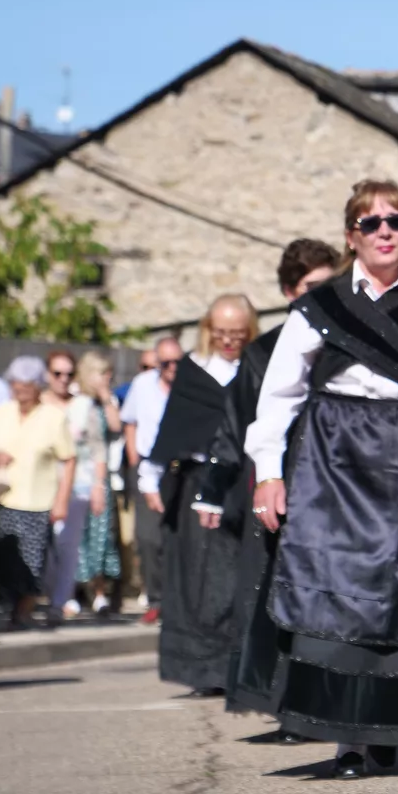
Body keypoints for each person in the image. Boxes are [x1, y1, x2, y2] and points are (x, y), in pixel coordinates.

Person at [245, 179, 398, 778]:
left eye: (396, 221)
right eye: (370, 223)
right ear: (350, 237)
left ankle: (389, 729)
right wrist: (267, 474)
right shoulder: (320, 308)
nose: (385, 231)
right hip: (336, 464)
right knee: (338, 595)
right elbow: (278, 395)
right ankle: (346, 740)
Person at [189, 239, 338, 735]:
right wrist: (214, 488)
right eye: (312, 287)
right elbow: (236, 425)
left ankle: (339, 704)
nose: (323, 295)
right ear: (289, 291)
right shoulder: (264, 352)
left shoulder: (349, 338)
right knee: (280, 598)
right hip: (283, 488)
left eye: (329, 284)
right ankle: (289, 707)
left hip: (341, 491)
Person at [151, 294, 258, 694]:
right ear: (208, 331)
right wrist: (151, 477)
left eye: (238, 333)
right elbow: (174, 427)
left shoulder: (256, 368)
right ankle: (202, 670)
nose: (229, 341)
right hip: (197, 481)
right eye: (222, 333)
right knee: (197, 579)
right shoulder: (194, 371)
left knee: (236, 576)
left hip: (243, 480)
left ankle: (238, 667)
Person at [0, 357, 76, 630]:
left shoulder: (54, 417)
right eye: (16, 385)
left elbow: (69, 459)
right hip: (3, 500)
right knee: (5, 562)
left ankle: (22, 613)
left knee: (31, 563)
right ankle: (11, 610)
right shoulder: (2, 412)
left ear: (37, 387)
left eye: (26, 386)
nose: (20, 390)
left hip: (37, 503)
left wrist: (62, 500)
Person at [121, 336, 182, 623]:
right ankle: (156, 598)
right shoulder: (142, 384)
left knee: (177, 535)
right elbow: (129, 421)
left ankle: (175, 599)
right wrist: (134, 460)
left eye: (177, 361)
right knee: (147, 538)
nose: (172, 367)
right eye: (165, 362)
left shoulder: (190, 385)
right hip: (146, 465)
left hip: (179, 467)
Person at [41, 349, 99, 621]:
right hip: (41, 484)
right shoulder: (39, 405)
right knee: (47, 546)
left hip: (78, 485)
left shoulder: (84, 405)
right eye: (57, 373)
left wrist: (99, 486)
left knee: (68, 545)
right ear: (47, 375)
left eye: (68, 374)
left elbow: (98, 449)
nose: (63, 379)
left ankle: (61, 600)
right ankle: (52, 594)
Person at [72, 352, 123, 614]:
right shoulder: (76, 401)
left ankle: (99, 593)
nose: (108, 378)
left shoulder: (105, 401)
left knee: (100, 539)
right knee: (74, 537)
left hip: (99, 477)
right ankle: (74, 592)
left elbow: (115, 427)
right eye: (102, 373)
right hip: (76, 476)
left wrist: (105, 396)